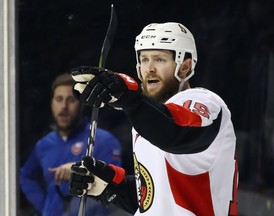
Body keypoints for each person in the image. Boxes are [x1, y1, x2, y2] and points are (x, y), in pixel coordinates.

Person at [69, 22, 239, 216]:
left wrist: (128, 99)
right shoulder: (146, 119)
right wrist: (111, 186)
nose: (149, 68)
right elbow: (154, 199)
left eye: (159, 60)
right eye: (144, 59)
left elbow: (175, 132)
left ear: (185, 67)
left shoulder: (206, 103)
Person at [20, 73, 123, 216]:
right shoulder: (44, 145)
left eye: (71, 100)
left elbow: (116, 185)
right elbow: (26, 176)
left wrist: (82, 171)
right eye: (59, 99)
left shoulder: (103, 140)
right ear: (51, 103)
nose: (64, 107)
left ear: (81, 105)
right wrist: (45, 205)